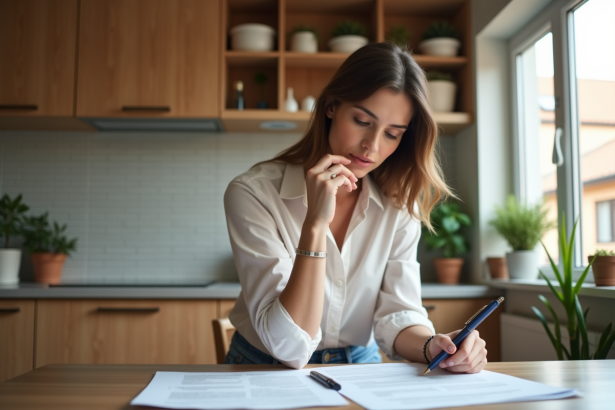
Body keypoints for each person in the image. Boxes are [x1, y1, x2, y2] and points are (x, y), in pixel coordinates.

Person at [223, 42, 487, 372]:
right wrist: (315, 227)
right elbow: (289, 347)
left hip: (359, 363)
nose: (372, 146)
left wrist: (433, 345)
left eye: (393, 134)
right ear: (332, 106)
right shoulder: (254, 193)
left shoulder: (398, 206)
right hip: (263, 364)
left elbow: (398, 312)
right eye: (362, 120)